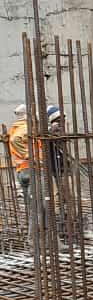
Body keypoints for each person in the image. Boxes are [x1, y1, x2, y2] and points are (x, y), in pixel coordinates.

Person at [6, 104, 34, 244]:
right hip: (30, 169)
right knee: (38, 207)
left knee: (30, 206)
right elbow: (15, 140)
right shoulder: (25, 127)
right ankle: (33, 239)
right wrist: (28, 154)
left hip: (20, 170)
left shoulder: (13, 128)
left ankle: (31, 235)